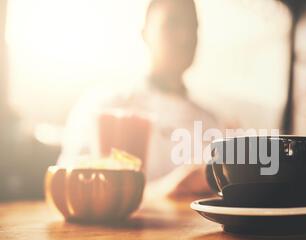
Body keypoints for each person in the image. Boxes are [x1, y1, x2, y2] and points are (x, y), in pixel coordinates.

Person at [59, 0, 220, 200]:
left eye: (193, 26)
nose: (186, 36)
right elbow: (70, 188)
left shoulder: (211, 121)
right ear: (145, 33)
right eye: (173, 23)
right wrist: (162, 191)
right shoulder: (103, 106)